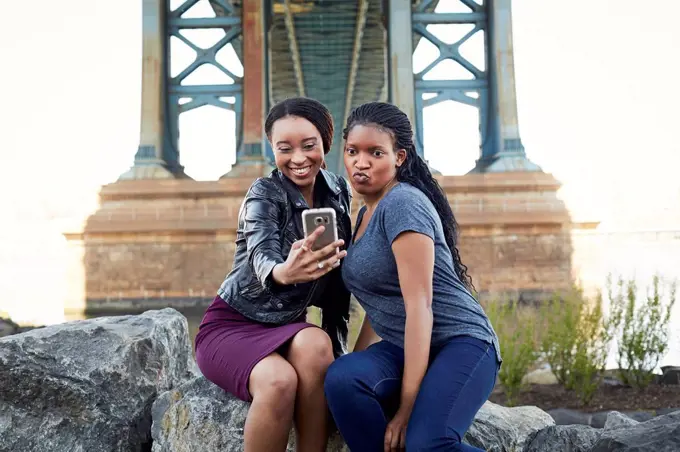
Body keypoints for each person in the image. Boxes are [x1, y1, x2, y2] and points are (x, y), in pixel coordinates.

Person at [324, 102, 502, 452]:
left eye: (375, 152)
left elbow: (419, 307)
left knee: (427, 444)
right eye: (352, 151)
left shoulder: (403, 203)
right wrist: (355, 361)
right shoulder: (362, 215)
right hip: (405, 348)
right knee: (343, 379)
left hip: (461, 342)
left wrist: (406, 409)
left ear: (399, 157)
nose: (361, 162)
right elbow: (382, 301)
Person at [195, 97, 353, 452]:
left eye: (308, 146)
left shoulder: (339, 192)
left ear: (326, 143)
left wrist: (338, 363)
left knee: (318, 346)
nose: (298, 158)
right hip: (233, 324)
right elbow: (260, 253)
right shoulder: (263, 193)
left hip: (285, 325)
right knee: (279, 380)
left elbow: (337, 286)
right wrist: (284, 272)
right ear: (273, 150)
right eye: (285, 148)